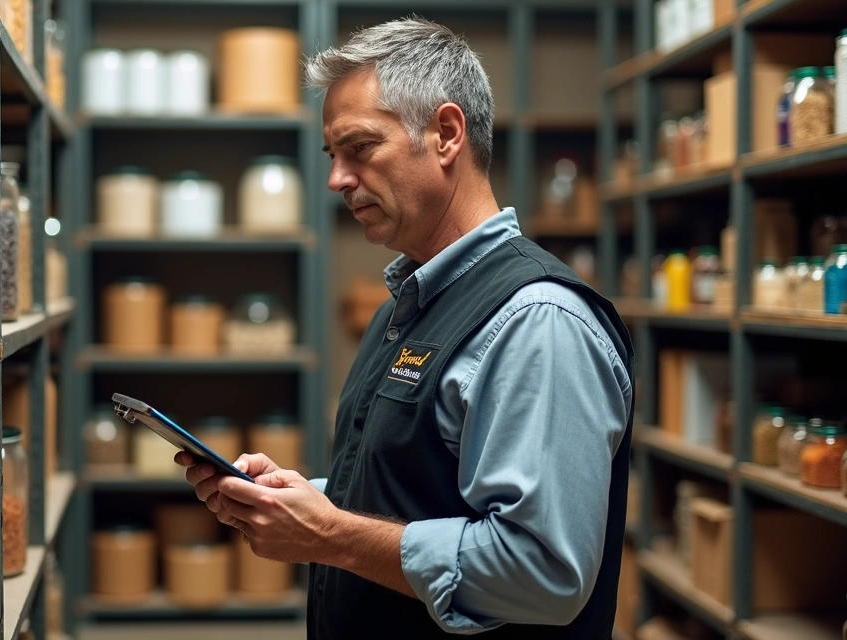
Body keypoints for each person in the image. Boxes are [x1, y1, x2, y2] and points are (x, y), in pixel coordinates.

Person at [177, 17, 635, 639]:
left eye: (361, 148)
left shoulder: (537, 321)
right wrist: (303, 499)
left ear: (446, 134)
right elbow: (412, 490)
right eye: (333, 156)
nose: (337, 179)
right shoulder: (409, 304)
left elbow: (543, 573)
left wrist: (330, 534)